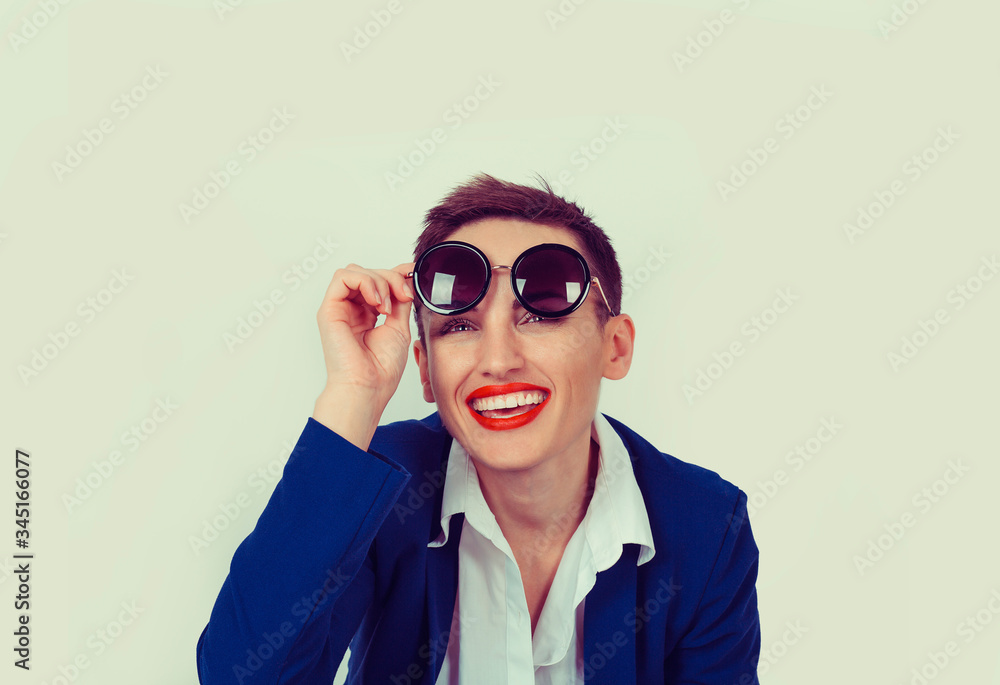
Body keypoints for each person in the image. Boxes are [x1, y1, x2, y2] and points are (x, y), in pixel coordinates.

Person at [196, 174, 761, 684]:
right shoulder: (379, 491)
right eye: (459, 326)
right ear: (424, 368)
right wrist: (354, 396)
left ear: (614, 348)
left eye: (540, 315)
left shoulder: (705, 525)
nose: (497, 360)